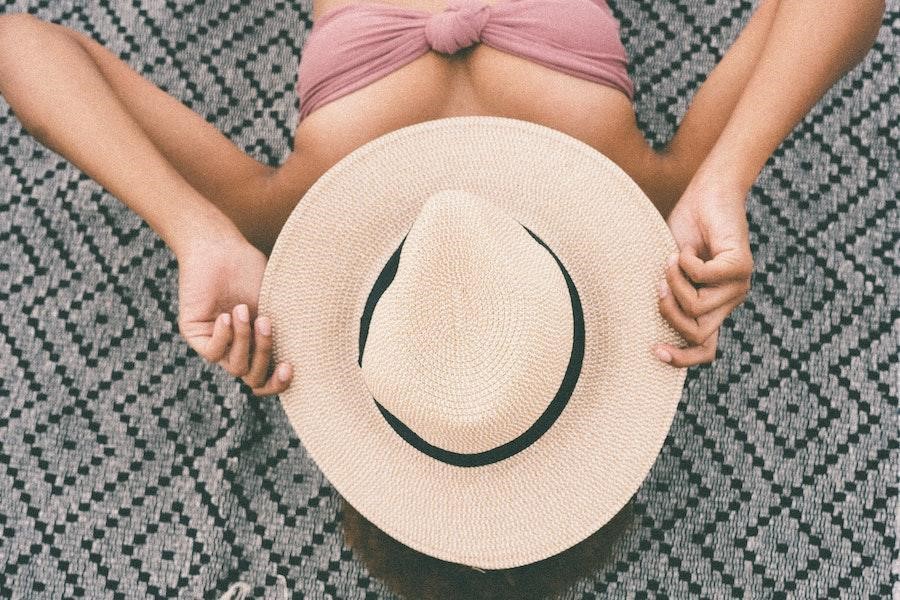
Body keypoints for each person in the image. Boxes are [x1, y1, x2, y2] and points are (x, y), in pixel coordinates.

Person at [0, 0, 884, 400]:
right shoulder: (645, 209)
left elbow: (21, 45)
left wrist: (193, 229)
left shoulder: (303, 221)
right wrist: (727, 175)